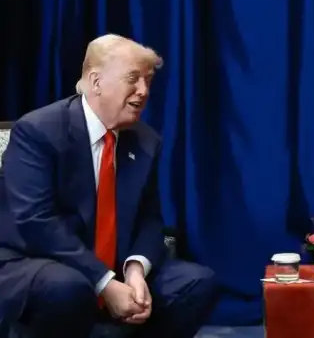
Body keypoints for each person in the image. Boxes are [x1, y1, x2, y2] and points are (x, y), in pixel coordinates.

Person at [0, 34, 218, 338]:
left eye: (148, 81)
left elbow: (150, 219)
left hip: (113, 264)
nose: (143, 91)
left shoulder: (144, 141)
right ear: (96, 81)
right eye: (133, 79)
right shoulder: (39, 131)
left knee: (196, 282)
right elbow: (36, 222)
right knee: (68, 287)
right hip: (36, 260)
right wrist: (103, 281)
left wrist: (135, 271)